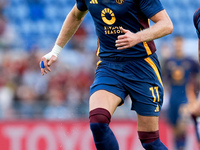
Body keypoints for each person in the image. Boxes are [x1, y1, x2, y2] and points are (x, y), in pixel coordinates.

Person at [39, 0, 173, 149]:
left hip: (142, 67)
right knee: (98, 121)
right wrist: (55, 51)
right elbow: (76, 15)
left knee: (150, 141)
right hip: (109, 66)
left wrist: (137, 37)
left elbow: (166, 25)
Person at [162, 36, 200, 150]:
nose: (178, 46)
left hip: (185, 97)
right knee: (175, 129)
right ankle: (180, 146)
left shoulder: (190, 61)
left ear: (182, 45)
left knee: (182, 123)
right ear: (174, 45)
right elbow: (164, 79)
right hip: (173, 97)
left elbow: (197, 77)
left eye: (179, 44)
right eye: (176, 44)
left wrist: (196, 94)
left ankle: (182, 145)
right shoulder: (169, 61)